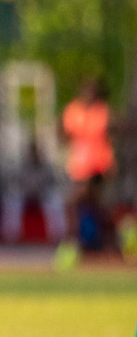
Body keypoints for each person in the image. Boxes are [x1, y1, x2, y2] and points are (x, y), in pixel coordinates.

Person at [58, 78, 113, 268]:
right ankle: (119, 235)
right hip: (78, 167)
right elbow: (65, 134)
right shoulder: (74, 110)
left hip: (97, 167)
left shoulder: (101, 112)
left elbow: (108, 130)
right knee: (95, 207)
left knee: (72, 202)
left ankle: (71, 244)